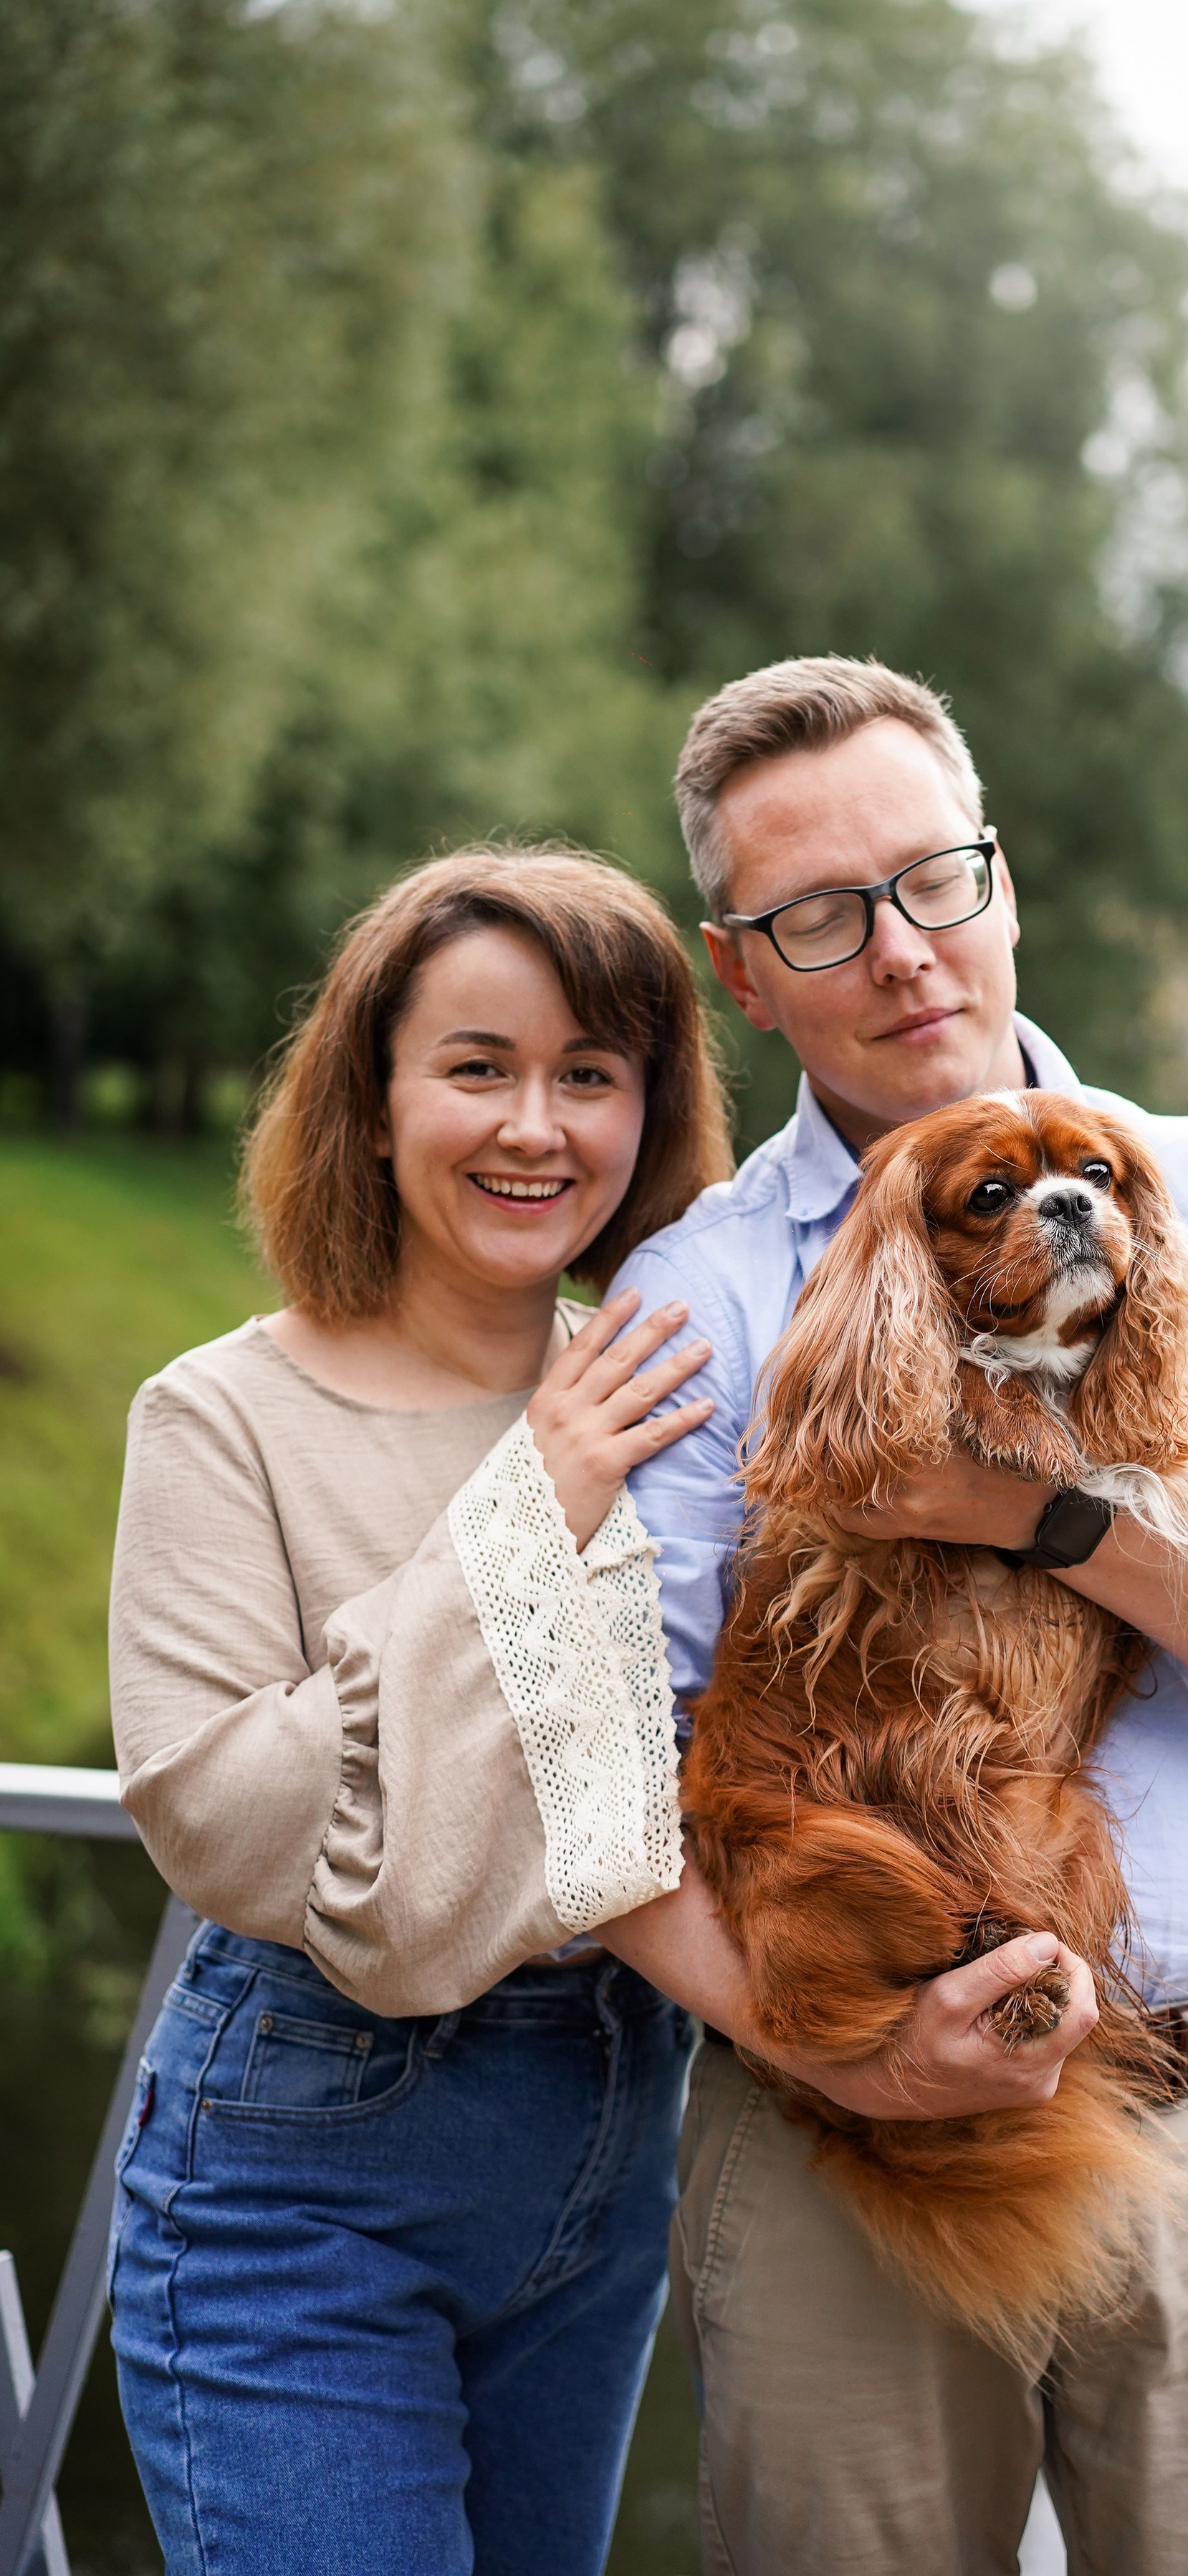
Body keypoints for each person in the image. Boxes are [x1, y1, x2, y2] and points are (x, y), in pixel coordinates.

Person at [107, 845, 1092, 2575]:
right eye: (475, 1068)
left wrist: (1145, 1662)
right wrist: (520, 1513)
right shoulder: (222, 1417)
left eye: (589, 1075)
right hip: (308, 2159)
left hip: (608, 2130)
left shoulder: (654, 1375)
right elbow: (236, 1826)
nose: (533, 1129)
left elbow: (753, 1716)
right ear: (374, 1093)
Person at [607, 658, 1188, 2575]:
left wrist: (1033, 1509)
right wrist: (846, 2053)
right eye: (824, 913)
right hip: (835, 2142)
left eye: (933, 880)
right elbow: (602, 1767)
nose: (902, 953)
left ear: (1002, 876)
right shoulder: (701, 1292)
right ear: (744, 969)